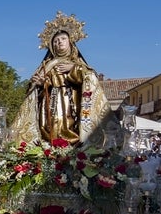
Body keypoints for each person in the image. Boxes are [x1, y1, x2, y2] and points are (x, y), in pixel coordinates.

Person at [11, 12, 114, 146]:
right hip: (51, 105)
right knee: (54, 124)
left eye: (63, 39)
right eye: (56, 41)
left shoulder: (78, 63)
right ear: (52, 46)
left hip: (72, 103)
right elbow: (34, 89)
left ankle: (72, 146)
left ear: (70, 41)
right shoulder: (47, 65)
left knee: (68, 123)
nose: (59, 42)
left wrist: (74, 69)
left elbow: (90, 79)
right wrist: (40, 84)